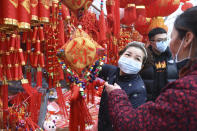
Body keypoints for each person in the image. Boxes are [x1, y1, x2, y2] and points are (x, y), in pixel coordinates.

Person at [105, 6, 197, 131]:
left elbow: (131, 125)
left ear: (187, 38)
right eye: (160, 40)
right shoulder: (186, 72)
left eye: (169, 38)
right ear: (151, 42)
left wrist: (116, 95)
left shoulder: (186, 90)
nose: (167, 43)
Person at [98, 41, 148, 131]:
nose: (130, 60)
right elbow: (92, 66)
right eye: (128, 55)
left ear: (142, 66)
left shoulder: (139, 90)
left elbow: (131, 123)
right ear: (120, 55)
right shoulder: (112, 70)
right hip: (103, 123)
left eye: (137, 59)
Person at [140, 27, 178, 101]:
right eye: (160, 40)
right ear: (151, 42)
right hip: (149, 99)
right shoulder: (144, 57)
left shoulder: (173, 56)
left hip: (168, 98)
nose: (164, 42)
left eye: (165, 39)